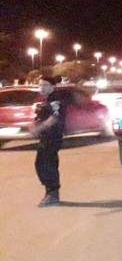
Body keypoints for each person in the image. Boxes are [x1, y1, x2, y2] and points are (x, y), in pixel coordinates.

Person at [30, 76, 69, 207]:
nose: (42, 87)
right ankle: (50, 192)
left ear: (53, 87)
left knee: (47, 164)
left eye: (45, 85)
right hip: (46, 137)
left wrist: (39, 128)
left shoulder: (55, 100)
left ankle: (52, 194)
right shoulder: (46, 100)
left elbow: (54, 118)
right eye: (40, 85)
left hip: (53, 137)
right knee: (42, 164)